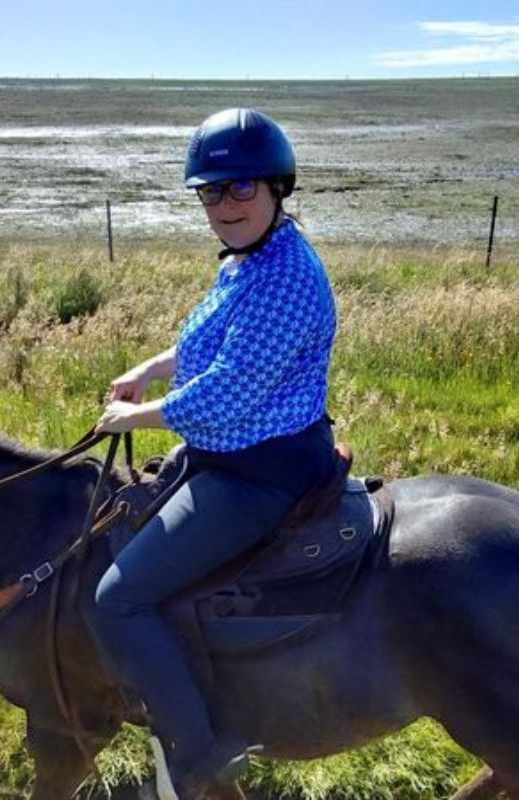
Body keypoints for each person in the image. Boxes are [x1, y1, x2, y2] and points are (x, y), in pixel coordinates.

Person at [91, 107, 338, 799]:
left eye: (240, 189)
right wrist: (150, 367)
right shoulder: (251, 260)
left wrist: (131, 416)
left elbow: (227, 392)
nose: (224, 205)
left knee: (117, 600)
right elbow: (212, 346)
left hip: (260, 470)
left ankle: (201, 758)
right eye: (211, 191)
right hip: (229, 454)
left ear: (276, 188)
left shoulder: (286, 277)